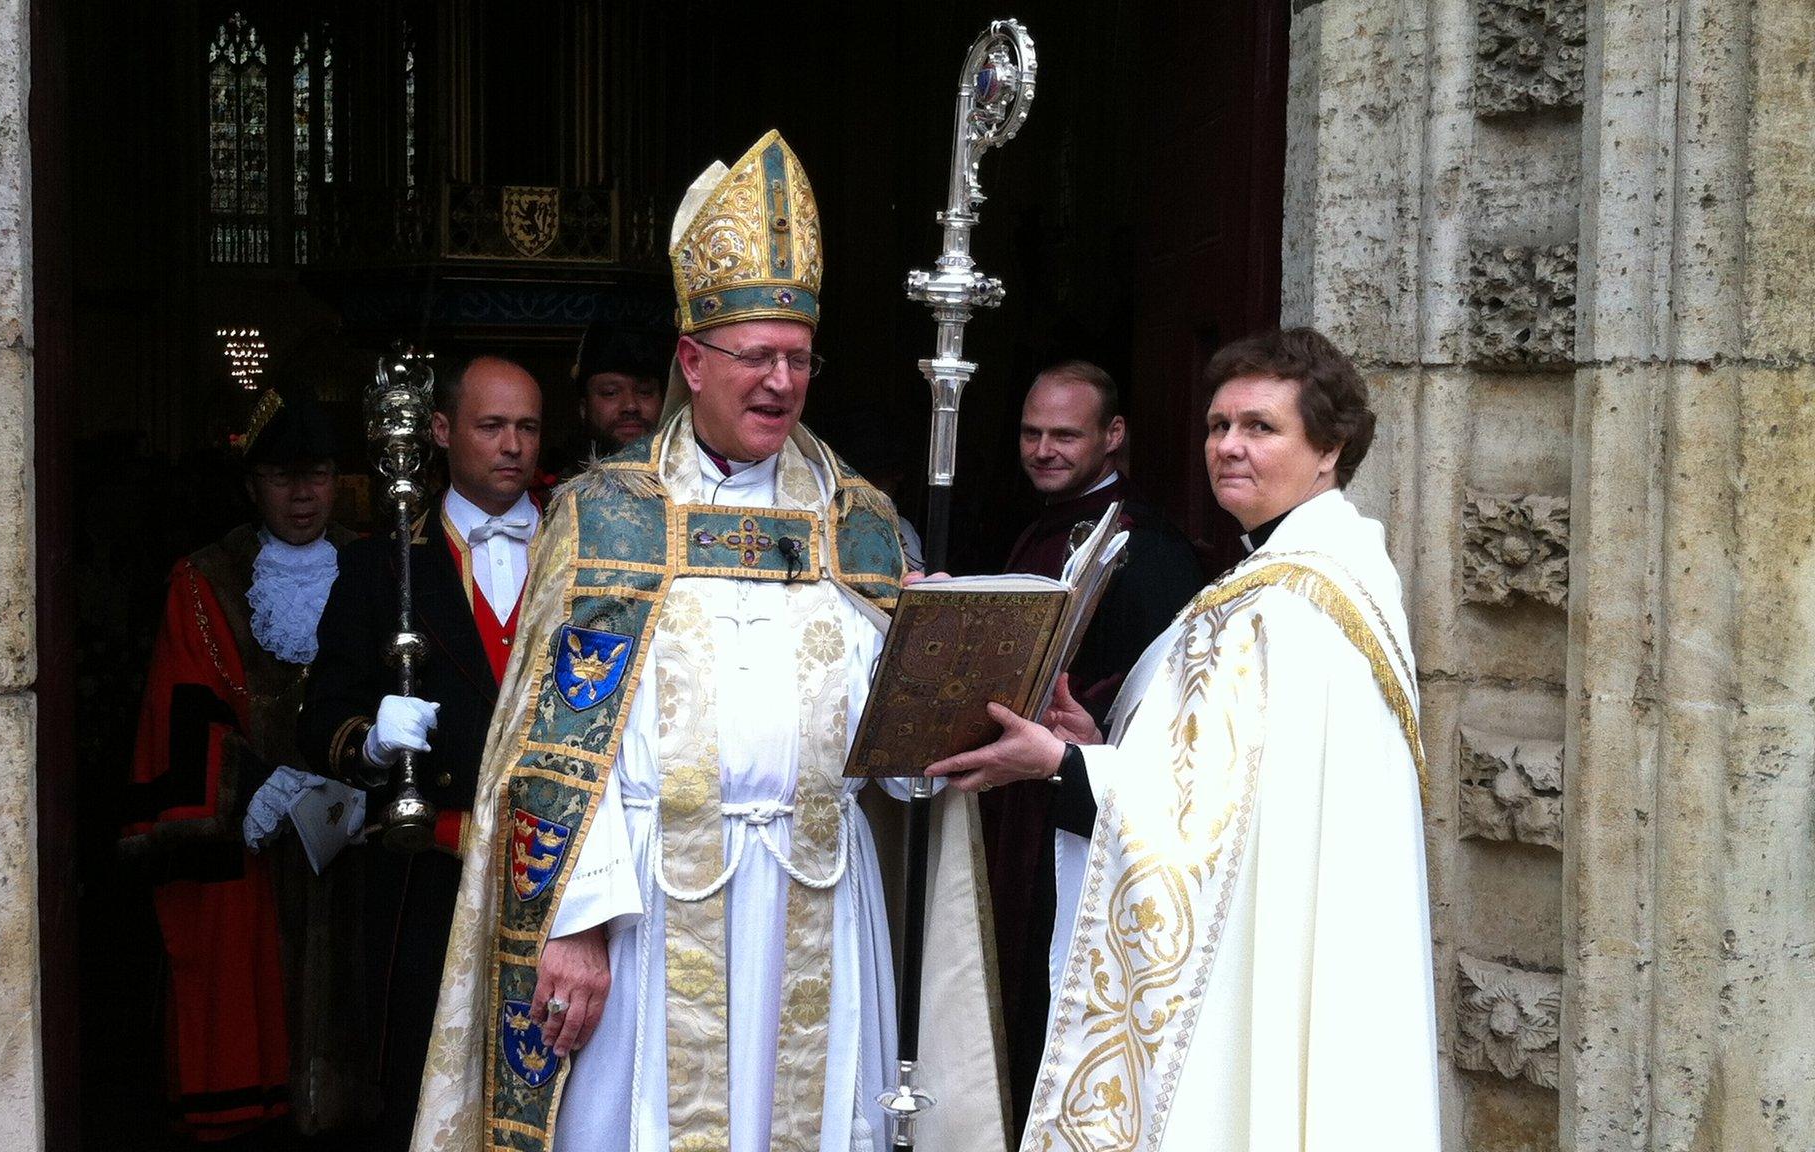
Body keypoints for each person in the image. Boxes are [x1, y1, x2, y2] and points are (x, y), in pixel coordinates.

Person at [409, 130, 1004, 1152]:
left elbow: (904, 773)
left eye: (798, 358)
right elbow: (557, 741)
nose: (780, 381)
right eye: (756, 357)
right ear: (693, 360)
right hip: (649, 907)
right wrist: (579, 918)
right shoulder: (609, 515)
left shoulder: (856, 519)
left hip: (818, 893)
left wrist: (937, 666)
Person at [927, 328, 1439, 1152]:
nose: (1228, 447)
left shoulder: (1299, 604)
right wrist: (1097, 742)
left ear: (1330, 446)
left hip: (1265, 965)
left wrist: (1060, 766)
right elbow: (1222, 784)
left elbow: (1216, 834)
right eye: (1217, 425)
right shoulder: (1283, 579)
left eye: (1259, 427)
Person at [299, 354, 546, 1149]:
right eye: (491, 426)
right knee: (424, 1088)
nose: (512, 445)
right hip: (432, 872)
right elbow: (322, 716)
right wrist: (370, 740)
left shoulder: (592, 551)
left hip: (567, 877)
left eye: (528, 427)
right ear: (440, 431)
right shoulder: (380, 564)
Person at [121, 385, 370, 1138]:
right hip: (253, 840)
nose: (302, 495)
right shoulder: (206, 579)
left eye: (319, 474)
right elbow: (182, 708)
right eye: (281, 477)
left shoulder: (377, 566)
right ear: (251, 484)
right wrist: (257, 788)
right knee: (251, 1021)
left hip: (360, 833)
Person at [984, 359, 1205, 1122]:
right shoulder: (1042, 526)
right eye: (1030, 433)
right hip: (1018, 806)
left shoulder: (1147, 547)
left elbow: (1173, 698)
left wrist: (1092, 724)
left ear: (1113, 436)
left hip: (1077, 812)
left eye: (1064, 435)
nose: (1042, 449)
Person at [571, 321, 671, 462]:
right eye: (610, 393)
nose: (631, 406)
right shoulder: (561, 483)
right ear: (583, 408)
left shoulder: (692, 480)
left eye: (644, 392)